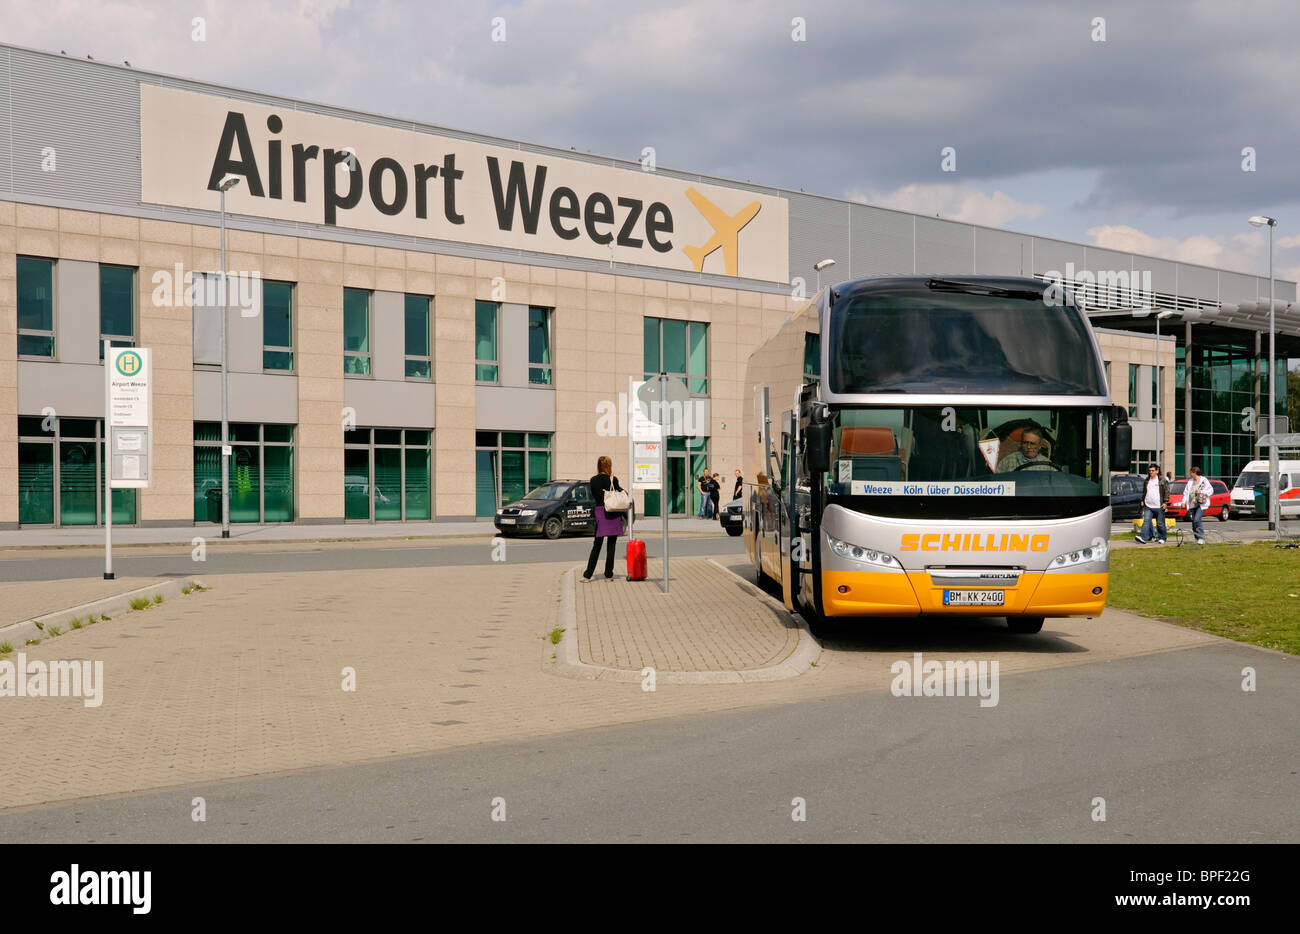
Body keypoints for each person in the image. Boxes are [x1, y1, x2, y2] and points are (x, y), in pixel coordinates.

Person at [583, 456, 625, 581]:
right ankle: (608, 574)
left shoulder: (593, 480)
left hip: (600, 513)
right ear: (609, 465)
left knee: (597, 545)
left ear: (599, 465)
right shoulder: (613, 479)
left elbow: (595, 496)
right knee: (611, 546)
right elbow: (622, 492)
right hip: (612, 513)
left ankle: (588, 574)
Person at [1136, 463, 1170, 545]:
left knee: (1160, 523)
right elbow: (1145, 491)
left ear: (1157, 471)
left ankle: (1162, 537)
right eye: (1150, 471)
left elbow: (1167, 491)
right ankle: (1143, 537)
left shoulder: (1162, 480)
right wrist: (1142, 500)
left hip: (1159, 506)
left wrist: (1165, 502)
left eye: (1153, 470)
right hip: (1148, 505)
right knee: (1146, 521)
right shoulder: (1147, 480)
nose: (1151, 472)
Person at [1185, 465, 1214, 545]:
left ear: (1195, 473)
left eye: (1191, 472)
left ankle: (1201, 538)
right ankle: (1197, 538)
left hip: (1201, 504)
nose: (1190, 474)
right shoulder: (1190, 481)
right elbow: (1186, 492)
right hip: (1192, 503)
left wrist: (1201, 491)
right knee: (1194, 522)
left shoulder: (1204, 480)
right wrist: (1183, 502)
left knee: (1197, 519)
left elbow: (1211, 490)